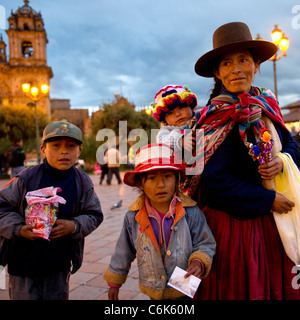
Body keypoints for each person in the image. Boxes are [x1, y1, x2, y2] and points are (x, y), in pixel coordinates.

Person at [190, 21, 300, 299]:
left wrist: (283, 159)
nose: (237, 69)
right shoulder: (212, 120)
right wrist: (266, 200)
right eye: (227, 63)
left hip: (275, 224)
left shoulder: (268, 107)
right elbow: (213, 182)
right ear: (218, 72)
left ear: (256, 65)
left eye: (244, 60)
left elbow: (292, 147)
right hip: (235, 229)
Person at [0, 121, 103, 300]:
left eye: (70, 146)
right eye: (56, 146)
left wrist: (75, 226)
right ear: (43, 150)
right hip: (23, 265)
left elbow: (94, 214)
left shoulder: (83, 182)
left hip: (59, 266)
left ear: (79, 151)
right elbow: (2, 207)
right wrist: (18, 229)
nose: (64, 151)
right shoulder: (26, 178)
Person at [103, 143, 216, 300]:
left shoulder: (191, 213)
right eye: (152, 178)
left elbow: (205, 243)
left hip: (184, 284)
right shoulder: (133, 217)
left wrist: (198, 261)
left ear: (177, 179)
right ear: (140, 183)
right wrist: (114, 283)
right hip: (153, 284)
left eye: (167, 176)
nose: (161, 184)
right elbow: (123, 251)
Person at [152, 84, 199, 154]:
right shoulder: (167, 130)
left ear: (191, 107)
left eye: (181, 108)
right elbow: (162, 141)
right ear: (165, 120)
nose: (177, 114)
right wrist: (180, 141)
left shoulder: (200, 115)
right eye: (170, 113)